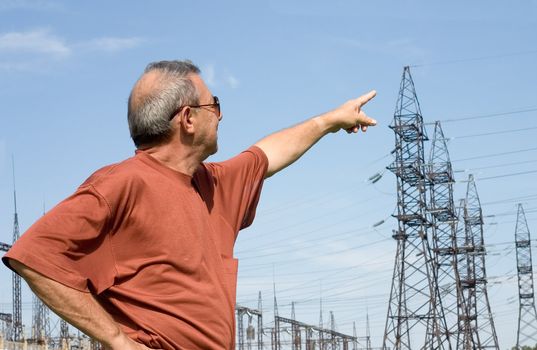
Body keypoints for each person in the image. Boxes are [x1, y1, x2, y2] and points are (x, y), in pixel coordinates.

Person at [2, 60, 376, 350]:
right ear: (188, 118)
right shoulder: (122, 184)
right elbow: (32, 255)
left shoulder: (212, 182)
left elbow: (268, 153)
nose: (221, 114)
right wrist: (116, 339)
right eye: (214, 104)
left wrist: (329, 121)